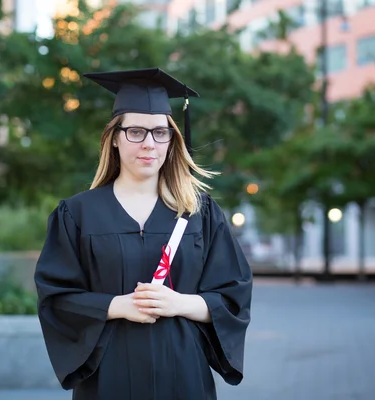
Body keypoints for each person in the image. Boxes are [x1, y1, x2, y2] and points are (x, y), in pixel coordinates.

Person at [34, 68, 253, 400]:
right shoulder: (77, 214)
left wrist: (179, 302)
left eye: (160, 132)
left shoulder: (198, 212)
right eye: (136, 131)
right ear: (115, 138)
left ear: (172, 139)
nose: (149, 144)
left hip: (183, 375)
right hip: (108, 379)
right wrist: (117, 306)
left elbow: (234, 299)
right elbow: (57, 299)